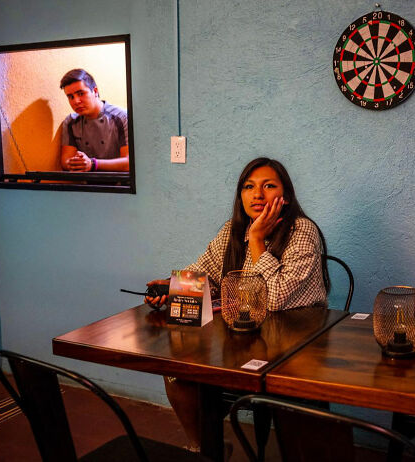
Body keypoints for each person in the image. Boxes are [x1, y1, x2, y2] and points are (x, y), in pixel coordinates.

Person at [145, 157, 330, 453]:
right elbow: (203, 273)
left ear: (286, 195)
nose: (257, 194)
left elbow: (275, 298)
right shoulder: (232, 231)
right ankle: (203, 449)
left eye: (268, 186)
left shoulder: (301, 231)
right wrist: (170, 287)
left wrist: (257, 240)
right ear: (240, 194)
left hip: (298, 349)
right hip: (244, 344)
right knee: (179, 373)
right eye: (249, 186)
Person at [59, 69, 129, 172]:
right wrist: (75, 163)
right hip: (88, 185)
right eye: (71, 97)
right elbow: (65, 160)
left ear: (95, 91)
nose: (76, 101)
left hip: (123, 185)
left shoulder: (121, 117)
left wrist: (93, 164)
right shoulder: (70, 121)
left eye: (81, 94)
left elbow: (129, 163)